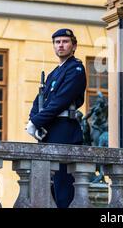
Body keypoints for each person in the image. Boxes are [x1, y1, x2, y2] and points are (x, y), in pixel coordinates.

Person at [26, 28, 87, 208]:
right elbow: (40, 99)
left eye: (65, 41)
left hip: (64, 132)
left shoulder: (76, 69)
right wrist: (32, 119)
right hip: (49, 131)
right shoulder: (54, 72)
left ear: (74, 46)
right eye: (57, 42)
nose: (60, 45)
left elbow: (61, 101)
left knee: (63, 190)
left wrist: (37, 121)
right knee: (45, 188)